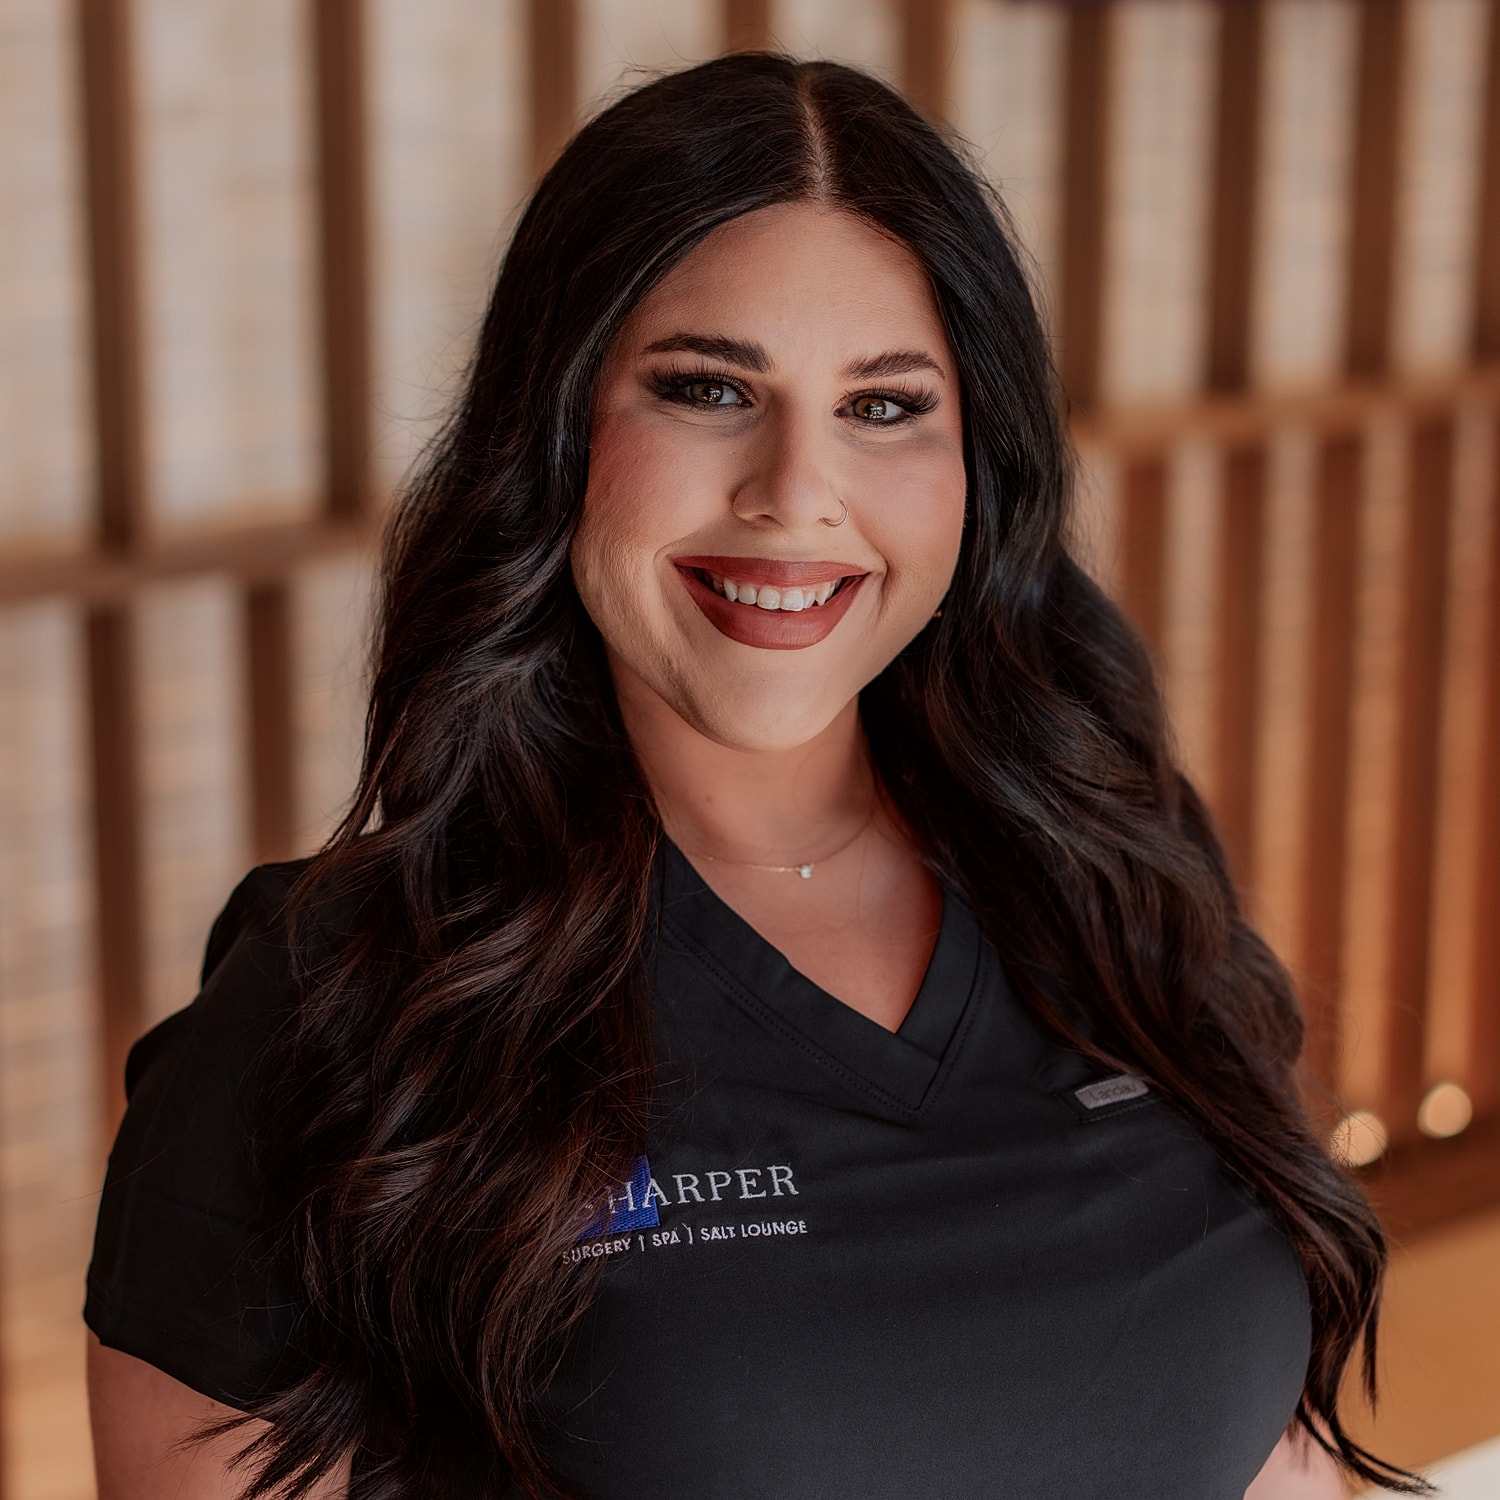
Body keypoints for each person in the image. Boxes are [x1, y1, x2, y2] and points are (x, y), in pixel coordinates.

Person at [85, 52, 1424, 1500]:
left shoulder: (1110, 868)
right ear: (557, 432)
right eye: (709, 388)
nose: (796, 490)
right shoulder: (333, 1002)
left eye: (887, 405)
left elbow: (1268, 1456)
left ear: (980, 470)